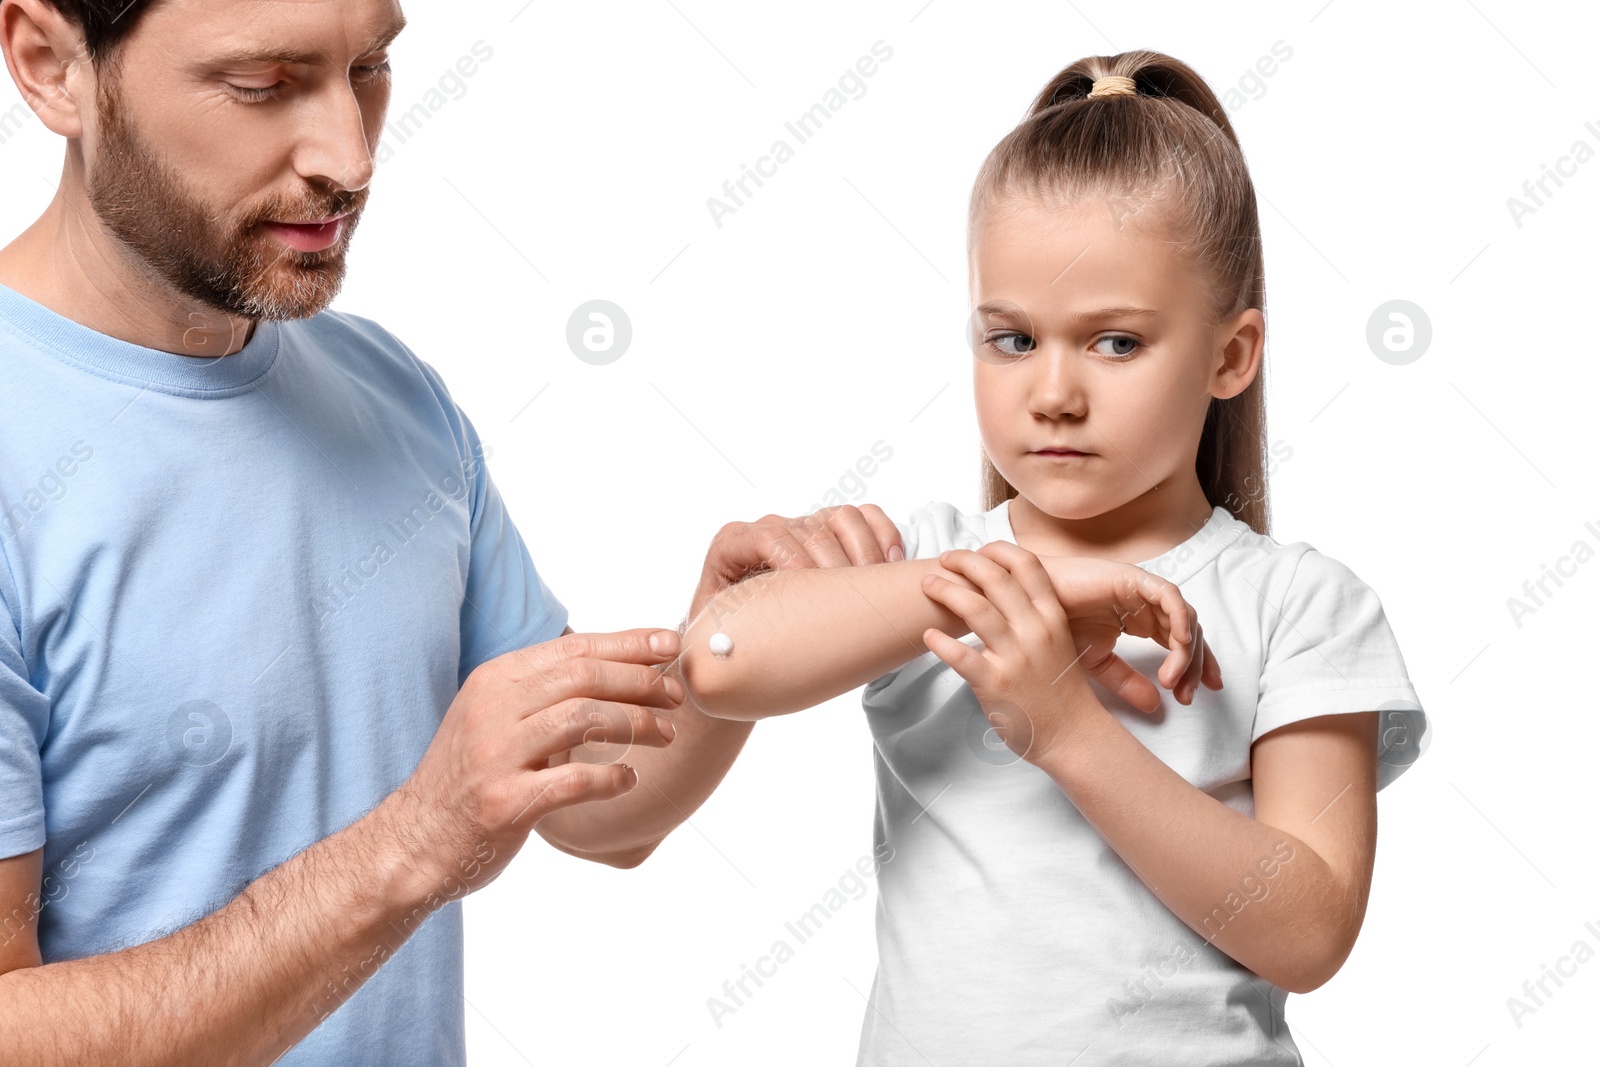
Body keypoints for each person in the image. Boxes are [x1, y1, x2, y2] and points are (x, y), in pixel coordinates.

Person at [0, 0, 904, 1063]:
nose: (350, 154)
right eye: (262, 85)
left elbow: (595, 812)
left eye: (371, 65)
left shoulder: (391, 393)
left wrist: (715, 651)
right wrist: (415, 841)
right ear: (52, 67)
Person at [676, 51, 1432, 1065]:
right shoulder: (931, 562)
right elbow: (716, 659)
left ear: (1229, 355)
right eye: (1012, 339)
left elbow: (1306, 929)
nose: (1053, 393)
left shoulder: (1300, 602)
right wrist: (988, 590)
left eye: (1114, 342)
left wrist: (1068, 726)